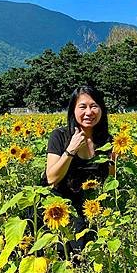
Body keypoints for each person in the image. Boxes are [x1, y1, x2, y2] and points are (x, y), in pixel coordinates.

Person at [44, 86, 115, 260]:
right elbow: (51, 178)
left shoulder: (106, 141)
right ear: (73, 110)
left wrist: (114, 160)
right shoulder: (59, 136)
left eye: (94, 106)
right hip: (59, 205)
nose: (89, 112)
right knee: (72, 252)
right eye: (82, 107)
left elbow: (111, 180)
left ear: (101, 109)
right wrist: (70, 150)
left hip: (91, 207)